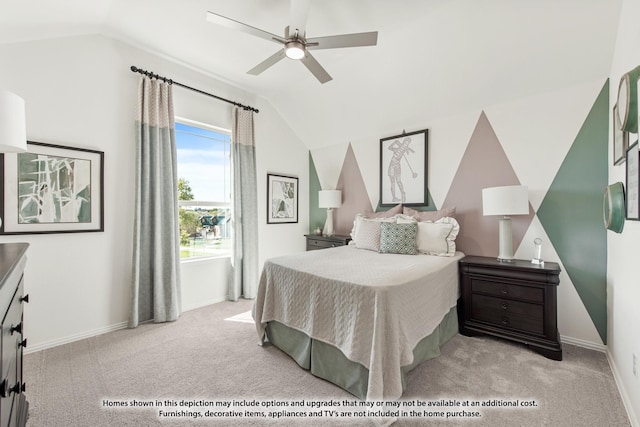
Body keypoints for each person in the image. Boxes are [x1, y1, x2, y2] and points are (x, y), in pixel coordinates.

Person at [387, 137, 414, 202]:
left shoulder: (404, 149)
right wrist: (396, 143)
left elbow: (409, 150)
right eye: (405, 142)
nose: (405, 144)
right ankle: (394, 197)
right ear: (403, 142)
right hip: (392, 165)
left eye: (407, 144)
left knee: (399, 181)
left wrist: (408, 149)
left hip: (397, 166)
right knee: (392, 183)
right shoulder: (396, 149)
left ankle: (403, 194)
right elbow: (389, 147)